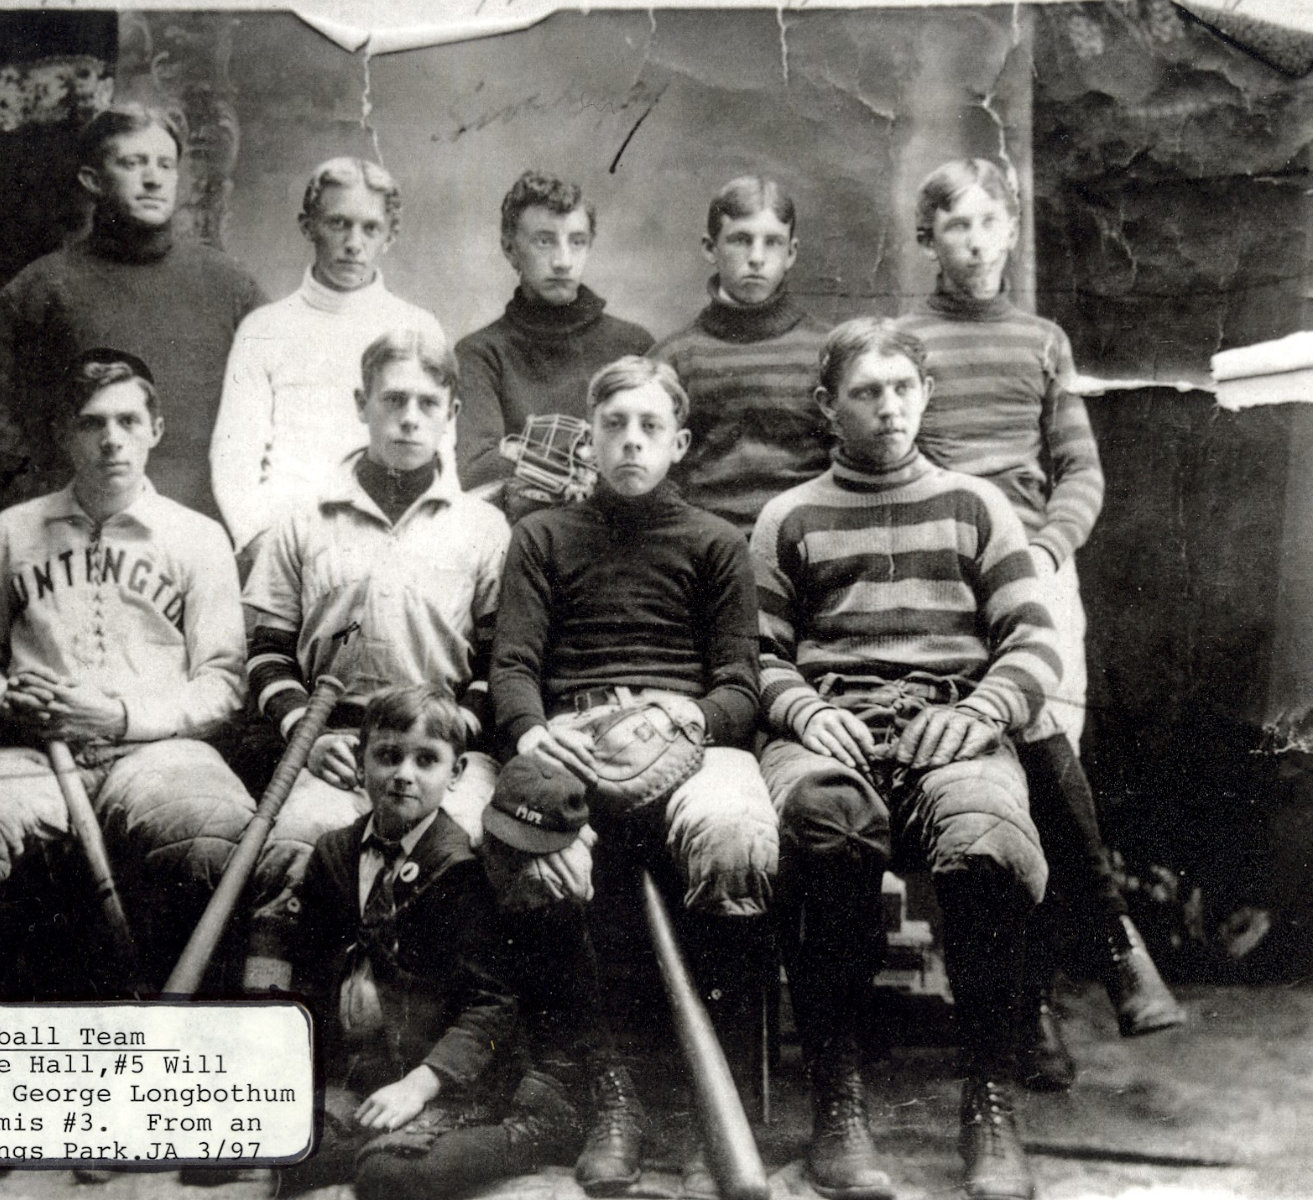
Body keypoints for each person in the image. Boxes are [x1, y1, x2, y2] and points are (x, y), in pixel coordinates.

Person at [754, 318, 1057, 1200]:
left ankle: (989, 1100)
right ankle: (836, 1106)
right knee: (825, 825)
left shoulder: (975, 505)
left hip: (947, 721)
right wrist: (805, 711)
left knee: (986, 835)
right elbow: (756, 655)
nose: (887, 409)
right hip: (829, 727)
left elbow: (1032, 642)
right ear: (826, 406)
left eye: (901, 389)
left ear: (924, 395)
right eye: (864, 392)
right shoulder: (788, 516)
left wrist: (982, 713)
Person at [898, 158, 1183, 1091]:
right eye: (954, 228)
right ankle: (1051, 994)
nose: (973, 243)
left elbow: (1079, 471)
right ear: (926, 240)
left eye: (988, 224)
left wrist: (1046, 553)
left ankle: (1052, 991)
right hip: (943, 573)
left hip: (1036, 571)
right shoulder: (902, 344)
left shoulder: (1041, 339)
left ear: (1010, 231)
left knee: (1046, 767)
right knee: (982, 797)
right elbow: (895, 465)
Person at [491, 355, 779, 1195]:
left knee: (732, 833)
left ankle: (700, 1095)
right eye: (614, 425)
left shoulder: (717, 542)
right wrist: (534, 733)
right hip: (571, 728)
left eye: (650, 427)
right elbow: (511, 665)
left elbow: (738, 685)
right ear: (589, 438)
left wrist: (687, 718)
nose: (630, 441)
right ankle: (614, 1091)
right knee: (537, 846)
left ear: (678, 442)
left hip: (681, 727)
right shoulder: (541, 536)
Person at [0, 350, 255, 989]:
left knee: (213, 830)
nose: (112, 439)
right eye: (91, 423)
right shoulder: (12, 531)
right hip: (35, 758)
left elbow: (223, 681)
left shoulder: (197, 536)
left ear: (156, 430)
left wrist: (122, 717)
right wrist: (4, 700)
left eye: (129, 421)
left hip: (161, 754)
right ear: (63, 433)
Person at [238, 328, 589, 992]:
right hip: (336, 744)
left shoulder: (483, 529)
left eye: (428, 403)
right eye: (392, 399)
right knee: (291, 853)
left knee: (496, 855)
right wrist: (302, 738)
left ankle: (489, 1056)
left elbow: (497, 660)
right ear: (360, 403)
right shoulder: (302, 521)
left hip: (446, 750)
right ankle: (283, 1041)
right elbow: (265, 656)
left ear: (451, 414)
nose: (408, 417)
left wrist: (455, 738)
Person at [249, 686, 586, 1199]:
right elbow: (308, 960)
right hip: (365, 1070)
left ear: (455, 775)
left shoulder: (462, 867)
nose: (404, 773)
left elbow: (492, 1001)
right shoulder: (335, 852)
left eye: (426, 760)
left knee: (390, 1177)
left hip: (447, 1079)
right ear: (361, 764)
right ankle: (361, 1134)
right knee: (273, 1151)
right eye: (387, 756)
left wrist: (420, 1085)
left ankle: (528, 1134)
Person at [0, 105, 266, 519]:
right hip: (84, 534)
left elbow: (292, 395)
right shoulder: (47, 285)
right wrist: (41, 490)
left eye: (165, 164)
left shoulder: (228, 284)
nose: (153, 178)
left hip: (207, 532)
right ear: (92, 180)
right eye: (132, 163)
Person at [211, 157, 446, 557]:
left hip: (393, 535)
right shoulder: (264, 328)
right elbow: (235, 451)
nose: (354, 242)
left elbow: (442, 452)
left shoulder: (417, 327)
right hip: (285, 537)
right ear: (309, 227)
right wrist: (256, 537)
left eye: (370, 228)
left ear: (390, 236)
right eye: (339, 223)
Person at [455, 170, 652, 505]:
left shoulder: (633, 346)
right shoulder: (481, 353)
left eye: (577, 242)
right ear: (509, 249)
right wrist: (590, 456)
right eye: (544, 241)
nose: (563, 262)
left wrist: (520, 452)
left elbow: (653, 457)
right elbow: (477, 470)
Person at [651, 175, 831, 535]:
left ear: (791, 253)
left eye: (773, 243)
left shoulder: (827, 350)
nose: (757, 258)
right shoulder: (672, 359)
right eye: (740, 240)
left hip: (808, 547)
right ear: (710, 247)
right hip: (706, 551)